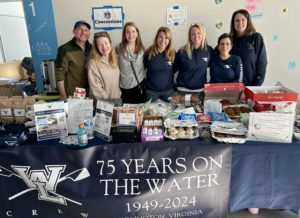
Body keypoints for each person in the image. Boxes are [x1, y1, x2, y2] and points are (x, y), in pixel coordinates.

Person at [55, 20, 92, 100]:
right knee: (77, 112)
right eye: (80, 29)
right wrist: (63, 96)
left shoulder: (92, 49)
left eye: (86, 30)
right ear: (74, 31)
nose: (83, 32)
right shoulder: (64, 49)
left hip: (91, 92)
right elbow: (59, 75)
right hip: (74, 93)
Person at [230, 9, 267, 86]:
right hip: (232, 86)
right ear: (233, 23)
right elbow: (216, 56)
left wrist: (257, 84)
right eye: (237, 20)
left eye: (243, 20)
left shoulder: (256, 37)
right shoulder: (229, 40)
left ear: (248, 22)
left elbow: (262, 62)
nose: (240, 23)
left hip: (252, 85)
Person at [174, 23, 213, 93]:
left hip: (200, 90)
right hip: (182, 90)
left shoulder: (209, 51)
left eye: (199, 33)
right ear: (189, 36)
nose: (196, 36)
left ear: (203, 35)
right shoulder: (182, 51)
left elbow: (215, 67)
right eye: (193, 34)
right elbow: (172, 70)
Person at [116, 22, 147, 104]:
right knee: (126, 114)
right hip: (125, 87)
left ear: (137, 33)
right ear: (124, 34)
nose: (131, 34)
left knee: (140, 113)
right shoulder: (118, 49)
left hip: (140, 85)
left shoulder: (142, 49)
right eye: (128, 32)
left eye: (133, 31)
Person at [144, 27, 176, 102]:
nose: (163, 40)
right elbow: (142, 70)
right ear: (156, 38)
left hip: (169, 92)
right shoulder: (148, 53)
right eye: (160, 37)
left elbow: (175, 69)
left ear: (169, 40)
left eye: (166, 38)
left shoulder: (173, 53)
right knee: (151, 113)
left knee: (169, 113)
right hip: (151, 92)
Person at [87, 31, 121, 101]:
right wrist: (108, 102)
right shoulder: (93, 64)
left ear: (110, 44)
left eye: (106, 43)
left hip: (117, 100)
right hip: (102, 103)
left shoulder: (116, 60)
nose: (104, 47)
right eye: (100, 45)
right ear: (96, 48)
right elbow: (96, 89)